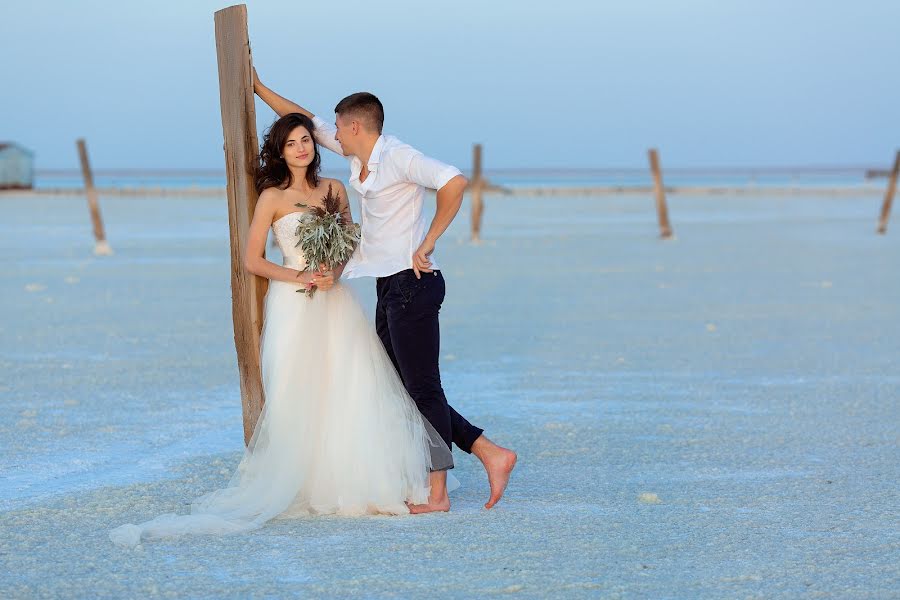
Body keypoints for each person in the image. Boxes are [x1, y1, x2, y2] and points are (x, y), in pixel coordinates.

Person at [109, 114, 452, 547]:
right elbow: (253, 260)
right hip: (295, 301)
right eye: (291, 143)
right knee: (298, 389)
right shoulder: (271, 197)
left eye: (306, 140)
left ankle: (354, 478)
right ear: (281, 151)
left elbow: (348, 241)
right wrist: (302, 278)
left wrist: (333, 272)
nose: (301, 148)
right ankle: (306, 480)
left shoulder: (334, 190)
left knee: (351, 386)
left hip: (334, 299)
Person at [253, 71, 517, 513]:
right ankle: (489, 452)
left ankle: (438, 495)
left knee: (424, 390)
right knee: (401, 387)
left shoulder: (397, 156)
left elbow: (453, 181)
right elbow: (304, 120)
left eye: (338, 128)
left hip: (413, 283)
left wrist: (428, 241)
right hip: (388, 286)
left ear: (355, 127)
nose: (329, 135)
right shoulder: (360, 158)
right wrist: (258, 88)